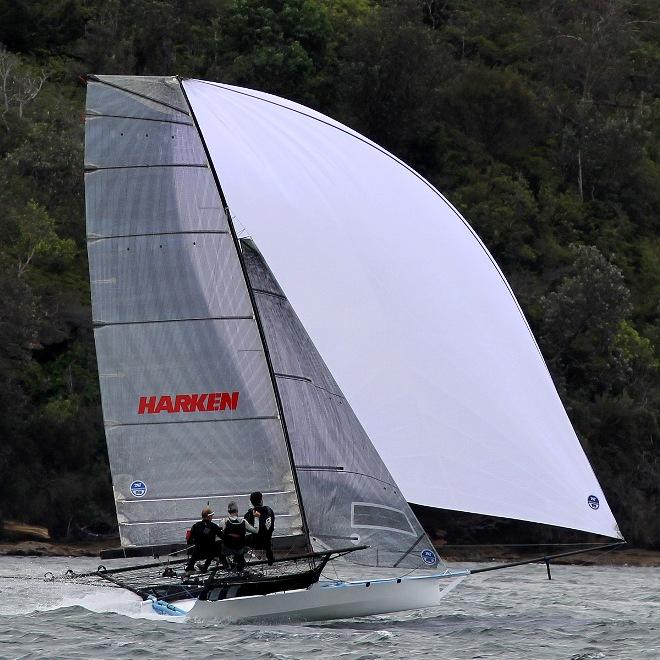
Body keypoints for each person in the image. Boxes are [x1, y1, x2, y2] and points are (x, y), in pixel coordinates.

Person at [185, 506, 223, 575]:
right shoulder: (213, 526)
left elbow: (189, 541)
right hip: (209, 553)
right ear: (209, 517)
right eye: (211, 516)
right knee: (217, 546)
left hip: (198, 553)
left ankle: (190, 567)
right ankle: (207, 567)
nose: (212, 517)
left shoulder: (196, 525)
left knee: (197, 546)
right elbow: (223, 537)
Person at [221, 501, 258, 571]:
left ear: (228, 511)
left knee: (220, 550)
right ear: (237, 511)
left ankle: (227, 565)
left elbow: (219, 534)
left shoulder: (224, 521)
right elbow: (255, 531)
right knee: (241, 547)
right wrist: (257, 518)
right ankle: (239, 566)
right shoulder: (243, 521)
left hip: (227, 549)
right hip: (239, 549)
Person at [244, 491, 275, 565]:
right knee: (267, 538)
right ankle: (270, 557)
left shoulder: (249, 514)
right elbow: (271, 525)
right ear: (261, 501)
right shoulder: (269, 510)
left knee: (239, 541)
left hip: (255, 542)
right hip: (267, 541)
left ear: (251, 502)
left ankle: (240, 561)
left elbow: (246, 529)